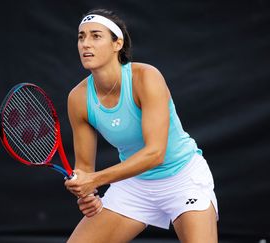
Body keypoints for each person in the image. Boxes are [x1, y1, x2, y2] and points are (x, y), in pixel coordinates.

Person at [65, 8, 218, 243]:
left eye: (96, 36)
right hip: (135, 185)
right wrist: (87, 193)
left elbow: (155, 153)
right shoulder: (78, 98)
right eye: (81, 37)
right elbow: (85, 168)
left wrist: (94, 180)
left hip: (183, 178)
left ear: (117, 44)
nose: (86, 44)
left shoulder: (146, 77)